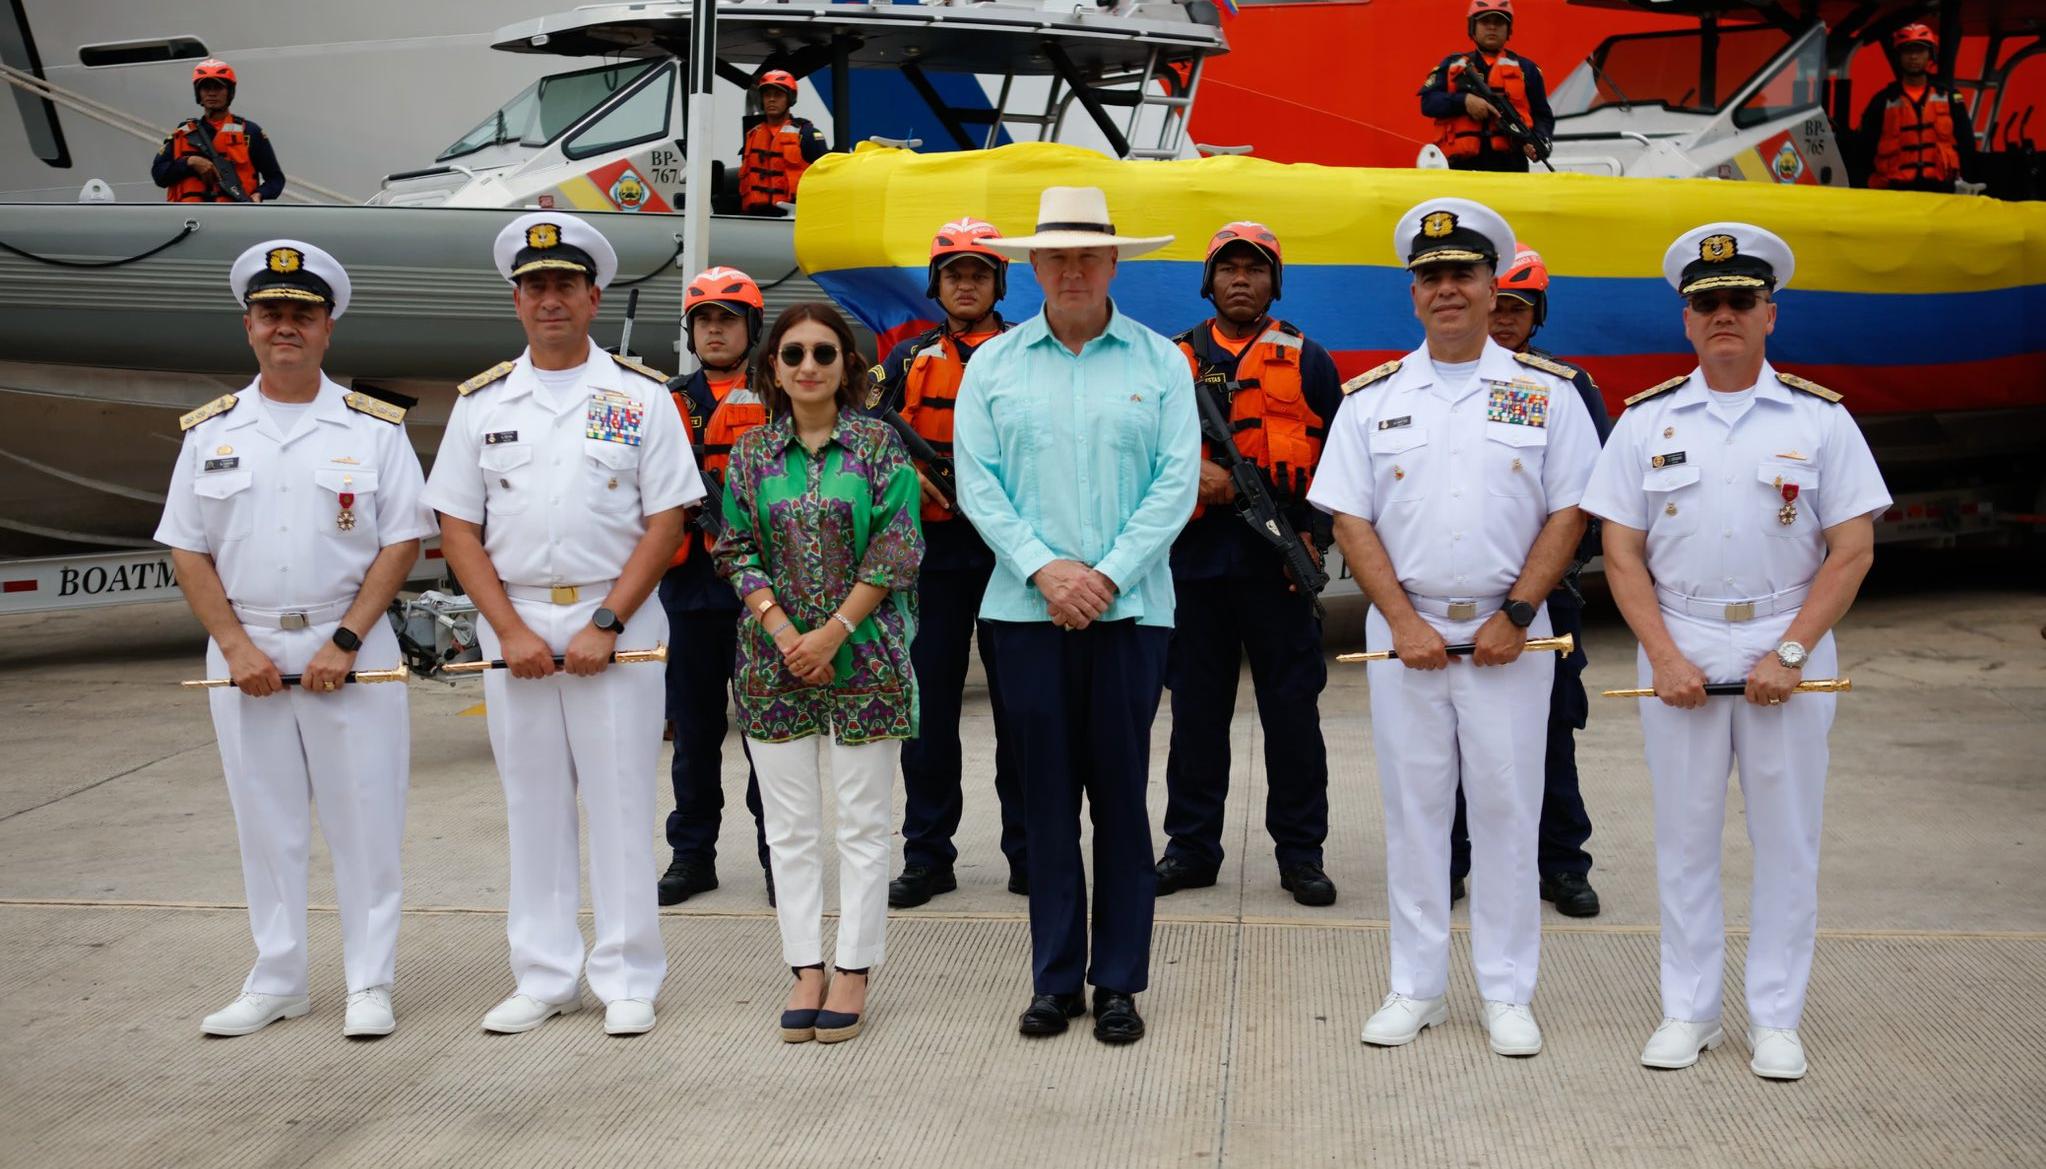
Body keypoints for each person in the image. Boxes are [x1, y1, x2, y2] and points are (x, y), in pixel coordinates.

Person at [1581, 223, 1889, 1080]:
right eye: (1707, 302)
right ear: (1687, 319)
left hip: (1785, 629)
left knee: (1787, 841)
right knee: (1684, 840)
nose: (1724, 314)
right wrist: (1663, 654)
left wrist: (1790, 653)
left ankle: (1777, 1017)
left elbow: (1852, 548)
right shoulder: (1646, 420)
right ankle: (1689, 1010)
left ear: (1769, 314)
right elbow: (1621, 552)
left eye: (1741, 300)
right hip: (1678, 633)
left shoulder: (1819, 419)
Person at [1309, 198, 1599, 1058]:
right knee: (1416, 813)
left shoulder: (1545, 393)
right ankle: (1417, 985)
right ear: (1413, 293)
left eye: (1462, 274)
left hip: (1514, 635)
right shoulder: (1373, 399)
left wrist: (1517, 613)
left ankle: (1507, 992)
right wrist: (1402, 621)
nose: (1447, 289)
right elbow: (1350, 517)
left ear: (1491, 286)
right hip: (1408, 636)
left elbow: (1571, 510)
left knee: (1508, 813)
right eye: (1430, 276)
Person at [424, 213, 699, 1037]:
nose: (551, 299)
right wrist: (508, 629)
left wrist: (606, 621)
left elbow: (667, 520)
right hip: (513, 618)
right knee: (532, 802)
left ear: (592, 296)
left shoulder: (641, 396)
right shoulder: (481, 403)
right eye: (535, 286)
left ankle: (627, 975)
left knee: (620, 799)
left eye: (565, 285)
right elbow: (457, 527)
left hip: (617, 617)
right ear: (517, 301)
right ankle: (544, 976)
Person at [156, 240, 432, 1038]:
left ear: (327, 327)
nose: (287, 326)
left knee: (366, 819)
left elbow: (402, 540)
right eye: (271, 312)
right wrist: (234, 645)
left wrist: (346, 639)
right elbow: (186, 548)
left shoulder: (371, 427)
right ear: (248, 326)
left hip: (350, 641)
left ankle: (369, 981)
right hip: (244, 646)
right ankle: (278, 978)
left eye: (303, 314)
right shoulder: (212, 431)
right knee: (264, 820)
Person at [954, 186, 1198, 1045]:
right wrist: (1045, 571)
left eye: (1087, 255)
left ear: (1114, 262)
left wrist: (1106, 576)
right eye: (1055, 256)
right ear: (1032, 266)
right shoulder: (994, 366)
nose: (1071, 270)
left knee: (1123, 799)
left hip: (1134, 613)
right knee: (1046, 801)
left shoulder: (1161, 363)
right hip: (1025, 613)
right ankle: (1055, 979)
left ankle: (1119, 980)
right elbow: (979, 484)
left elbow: (1175, 483)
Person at [714, 303, 923, 1045]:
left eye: (824, 353)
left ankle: (855, 967)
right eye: (794, 353)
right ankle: (805, 965)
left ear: (847, 366)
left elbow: (898, 548)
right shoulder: (750, 453)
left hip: (866, 657)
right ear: (772, 367)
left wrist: (832, 632)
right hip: (772, 664)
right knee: (790, 828)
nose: (808, 366)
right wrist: (785, 634)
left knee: (863, 825)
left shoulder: (879, 446)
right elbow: (734, 549)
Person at [1156, 221, 1343, 907]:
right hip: (1193, 566)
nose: (1242, 280)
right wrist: (1194, 474)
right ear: (1209, 281)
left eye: (1256, 269)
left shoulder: (1310, 359)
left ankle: (1301, 853)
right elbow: (1139, 453)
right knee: (1196, 716)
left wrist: (1315, 537)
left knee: (1292, 716)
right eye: (1229, 268)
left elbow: (1339, 464)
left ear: (1274, 282)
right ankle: (1191, 848)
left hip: (1279, 566)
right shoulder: (1169, 360)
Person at [1445, 242, 1608, 917]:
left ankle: (1561, 864)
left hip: (1544, 600)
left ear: (1537, 314)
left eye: (1519, 308)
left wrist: (1537, 585)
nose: (1505, 319)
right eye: (1499, 305)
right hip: (1454, 598)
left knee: (1549, 733)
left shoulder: (1557, 388)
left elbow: (1591, 495)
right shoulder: (1439, 384)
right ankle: (1452, 861)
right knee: (1450, 737)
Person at [870, 217, 1028, 909]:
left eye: (979, 273)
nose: (966, 284)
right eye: (954, 274)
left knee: (1022, 710)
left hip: (1011, 557)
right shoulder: (903, 361)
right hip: (929, 560)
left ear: (999, 284)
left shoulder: (1027, 354)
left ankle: (1030, 850)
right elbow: (862, 439)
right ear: (936, 285)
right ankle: (927, 854)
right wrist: (905, 467)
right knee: (927, 712)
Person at [657, 266, 773, 907]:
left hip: (763, 594)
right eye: (703, 319)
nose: (715, 330)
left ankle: (778, 858)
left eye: (728, 319)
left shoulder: (780, 394)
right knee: (695, 735)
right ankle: (691, 855)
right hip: (690, 592)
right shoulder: (663, 401)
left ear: (751, 327)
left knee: (768, 736)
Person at [1418, 0, 1554, 173]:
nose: (1492, 27)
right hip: (1460, 170)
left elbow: (1543, 116)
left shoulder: (1527, 69)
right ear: (1472, 27)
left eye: (1499, 22)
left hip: (1511, 168)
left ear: (1508, 29)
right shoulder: (1452, 65)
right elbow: (1428, 103)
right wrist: (1465, 101)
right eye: (1484, 21)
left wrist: (1540, 140)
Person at [1859, 23, 1979, 193]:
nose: (1914, 57)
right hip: (1893, 192)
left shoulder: (1950, 97)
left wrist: (1967, 181)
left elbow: (1966, 143)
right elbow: (1864, 147)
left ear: (1930, 54)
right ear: (1899, 56)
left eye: (1920, 50)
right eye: (1908, 51)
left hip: (1941, 191)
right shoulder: (1883, 100)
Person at [151, 58, 285, 203]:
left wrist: (259, 194)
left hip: (237, 214)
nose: (211, 93)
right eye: (206, 88)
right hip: (190, 215)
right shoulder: (182, 133)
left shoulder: (250, 132)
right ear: (198, 93)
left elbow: (275, 179)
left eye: (218, 87)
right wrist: (190, 162)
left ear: (229, 92)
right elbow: (159, 175)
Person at [738, 70, 828, 215]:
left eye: (778, 95)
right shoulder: (752, 135)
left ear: (790, 99)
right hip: (756, 217)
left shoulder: (807, 135)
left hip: (795, 216)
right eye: (767, 95)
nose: (771, 100)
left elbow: (825, 180)